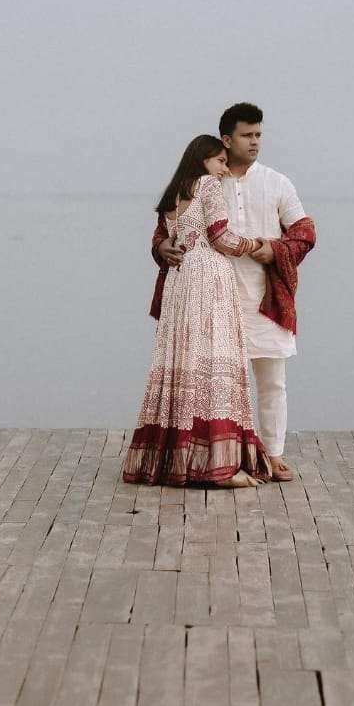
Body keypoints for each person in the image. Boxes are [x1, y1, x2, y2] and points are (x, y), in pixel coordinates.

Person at [150, 103, 316, 482]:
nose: (255, 142)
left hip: (263, 298)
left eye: (259, 135)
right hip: (210, 300)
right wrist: (163, 247)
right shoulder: (208, 177)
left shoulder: (277, 183)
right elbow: (167, 230)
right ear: (227, 139)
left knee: (272, 380)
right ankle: (218, 457)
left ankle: (273, 453)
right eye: (247, 135)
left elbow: (305, 233)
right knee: (213, 386)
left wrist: (273, 249)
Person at [123, 135, 273, 488]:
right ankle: (217, 466)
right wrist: (258, 246)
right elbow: (221, 238)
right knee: (214, 365)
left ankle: (174, 461)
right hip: (208, 278)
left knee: (183, 365)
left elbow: (166, 238)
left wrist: (166, 246)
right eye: (219, 161)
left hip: (179, 281)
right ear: (202, 159)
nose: (224, 169)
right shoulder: (208, 185)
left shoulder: (174, 193)